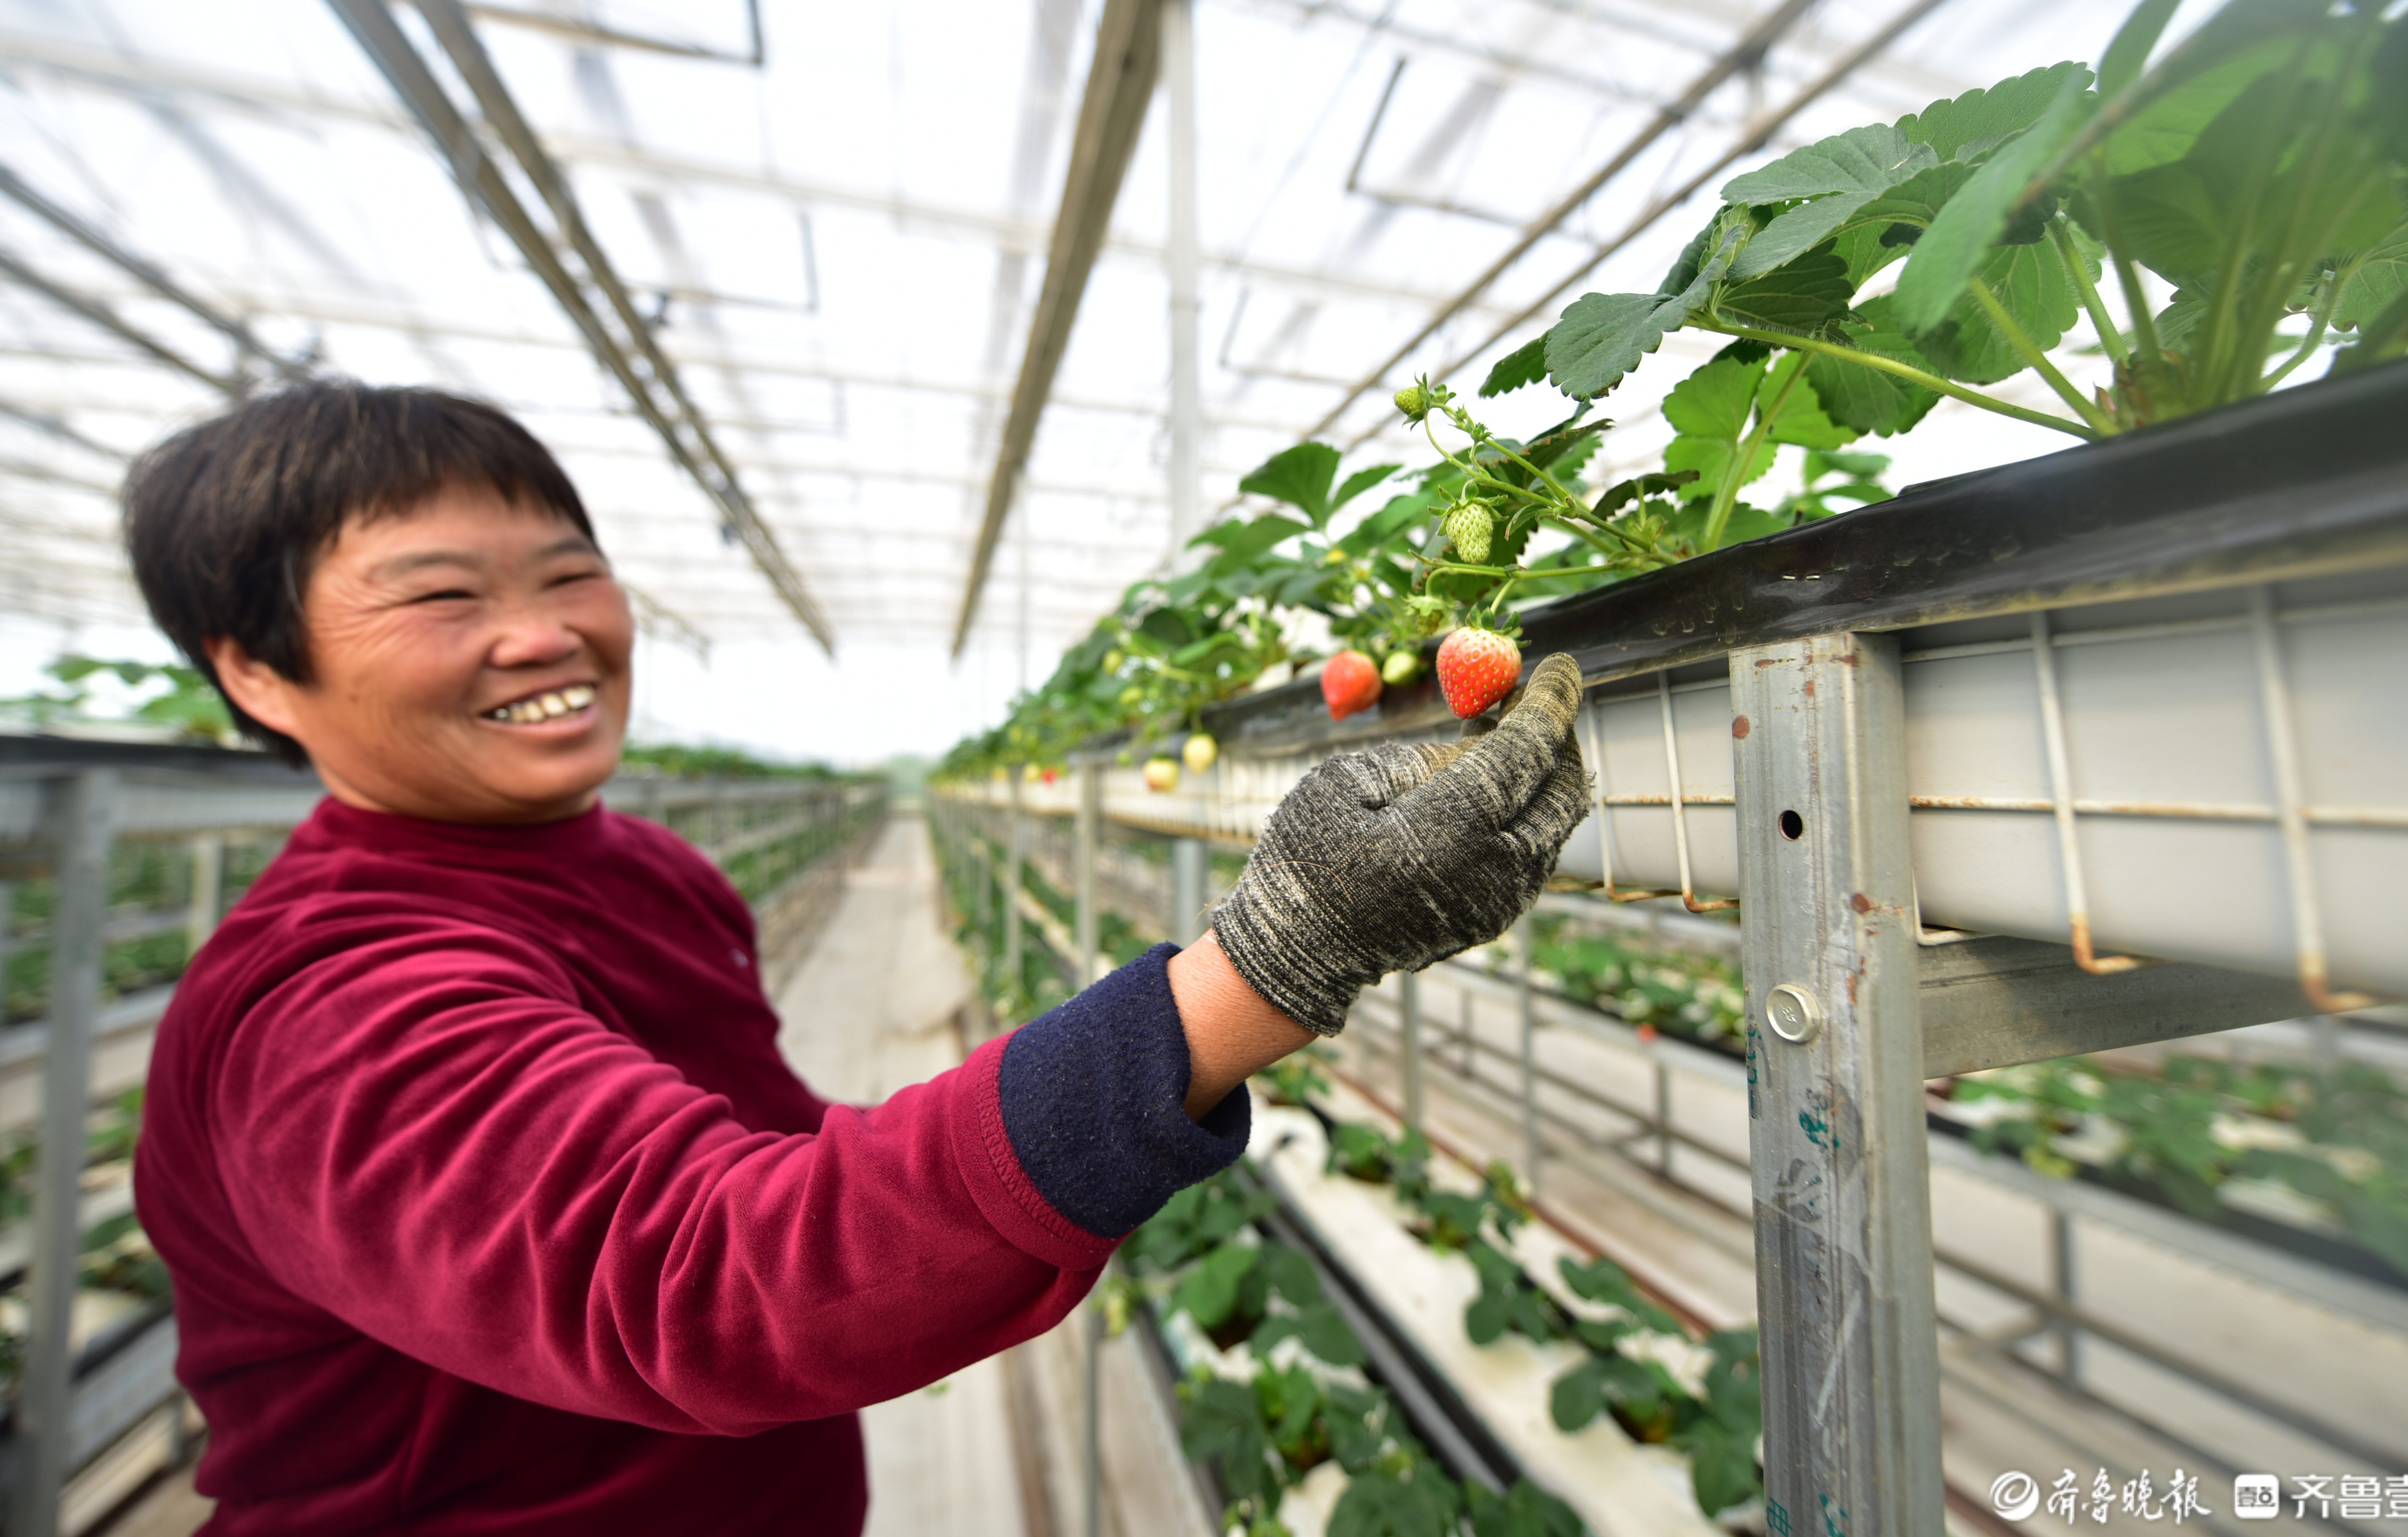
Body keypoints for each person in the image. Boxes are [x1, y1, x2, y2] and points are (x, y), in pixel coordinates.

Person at [124, 381, 1591, 1534]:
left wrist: (1035, 1134)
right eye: (442, 596)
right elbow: (702, 1272)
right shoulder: (320, 1003)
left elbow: (769, 1159)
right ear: (254, 670)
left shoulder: (647, 869)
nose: (542, 634)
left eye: (570, 572)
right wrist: (1270, 962)